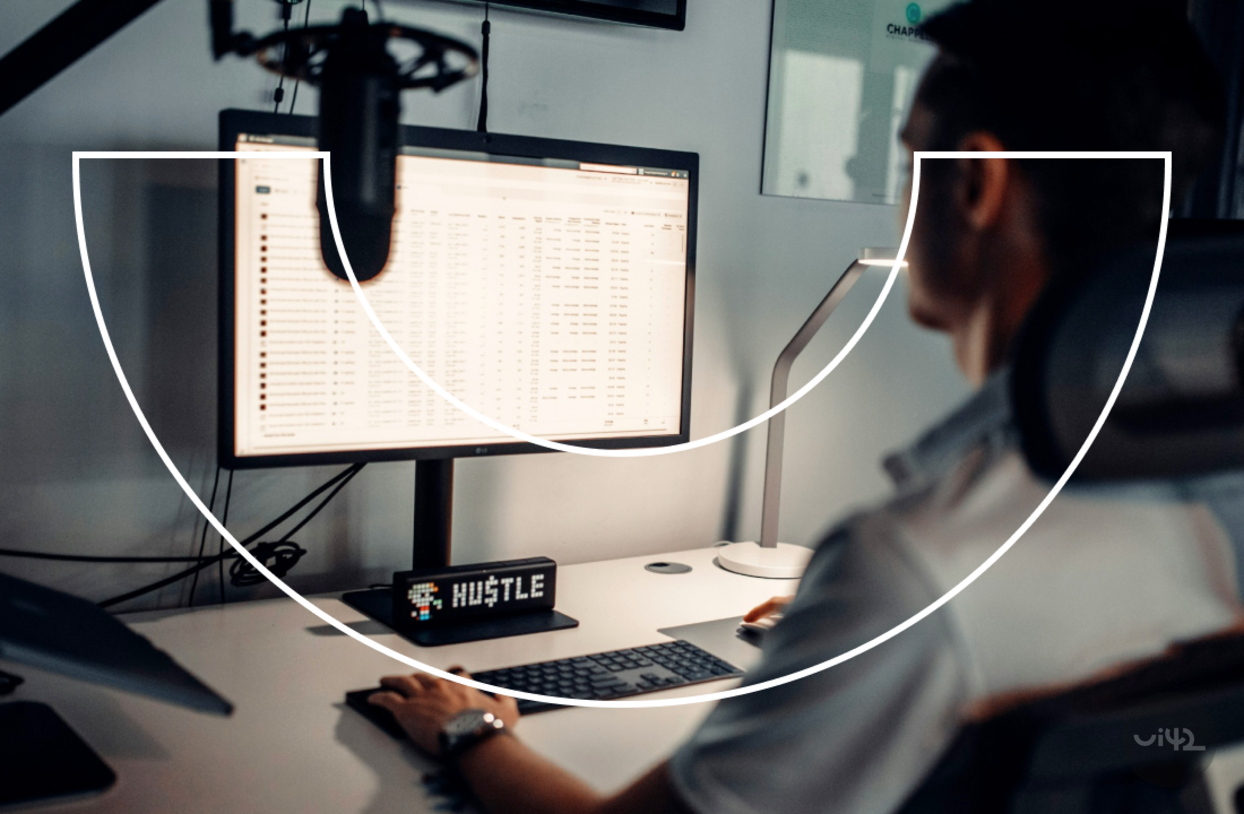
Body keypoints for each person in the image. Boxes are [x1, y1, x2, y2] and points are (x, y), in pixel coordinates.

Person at [366, 2, 1239, 812]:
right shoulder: (1215, 498)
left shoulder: (912, 569)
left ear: (976, 184)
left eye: (908, 164)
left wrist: (468, 727)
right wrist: (843, 636)